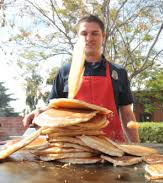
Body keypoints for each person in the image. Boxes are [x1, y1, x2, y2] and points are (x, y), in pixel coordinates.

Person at [23, 15, 139, 143]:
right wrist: (39, 112)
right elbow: (54, 108)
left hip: (113, 145)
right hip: (74, 146)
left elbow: (127, 113)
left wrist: (137, 146)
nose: (89, 38)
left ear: (103, 37)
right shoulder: (65, 71)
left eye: (95, 33)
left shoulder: (118, 72)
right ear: (78, 37)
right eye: (84, 33)